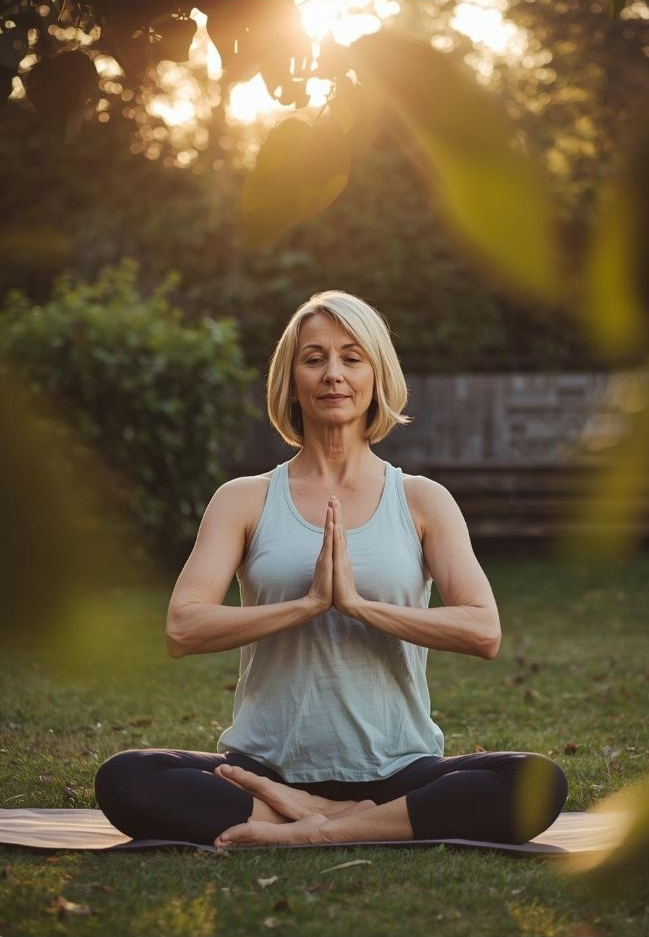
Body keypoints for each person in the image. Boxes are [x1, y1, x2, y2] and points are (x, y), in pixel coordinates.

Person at [95, 290, 568, 849]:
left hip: (397, 772)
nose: (333, 375)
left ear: (377, 373)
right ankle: (324, 814)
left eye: (352, 357)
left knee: (538, 783)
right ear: (291, 378)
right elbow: (182, 628)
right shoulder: (243, 499)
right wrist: (308, 605)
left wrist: (359, 607)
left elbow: (483, 631)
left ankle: (310, 829)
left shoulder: (422, 500)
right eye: (314, 358)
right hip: (266, 768)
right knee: (126, 778)